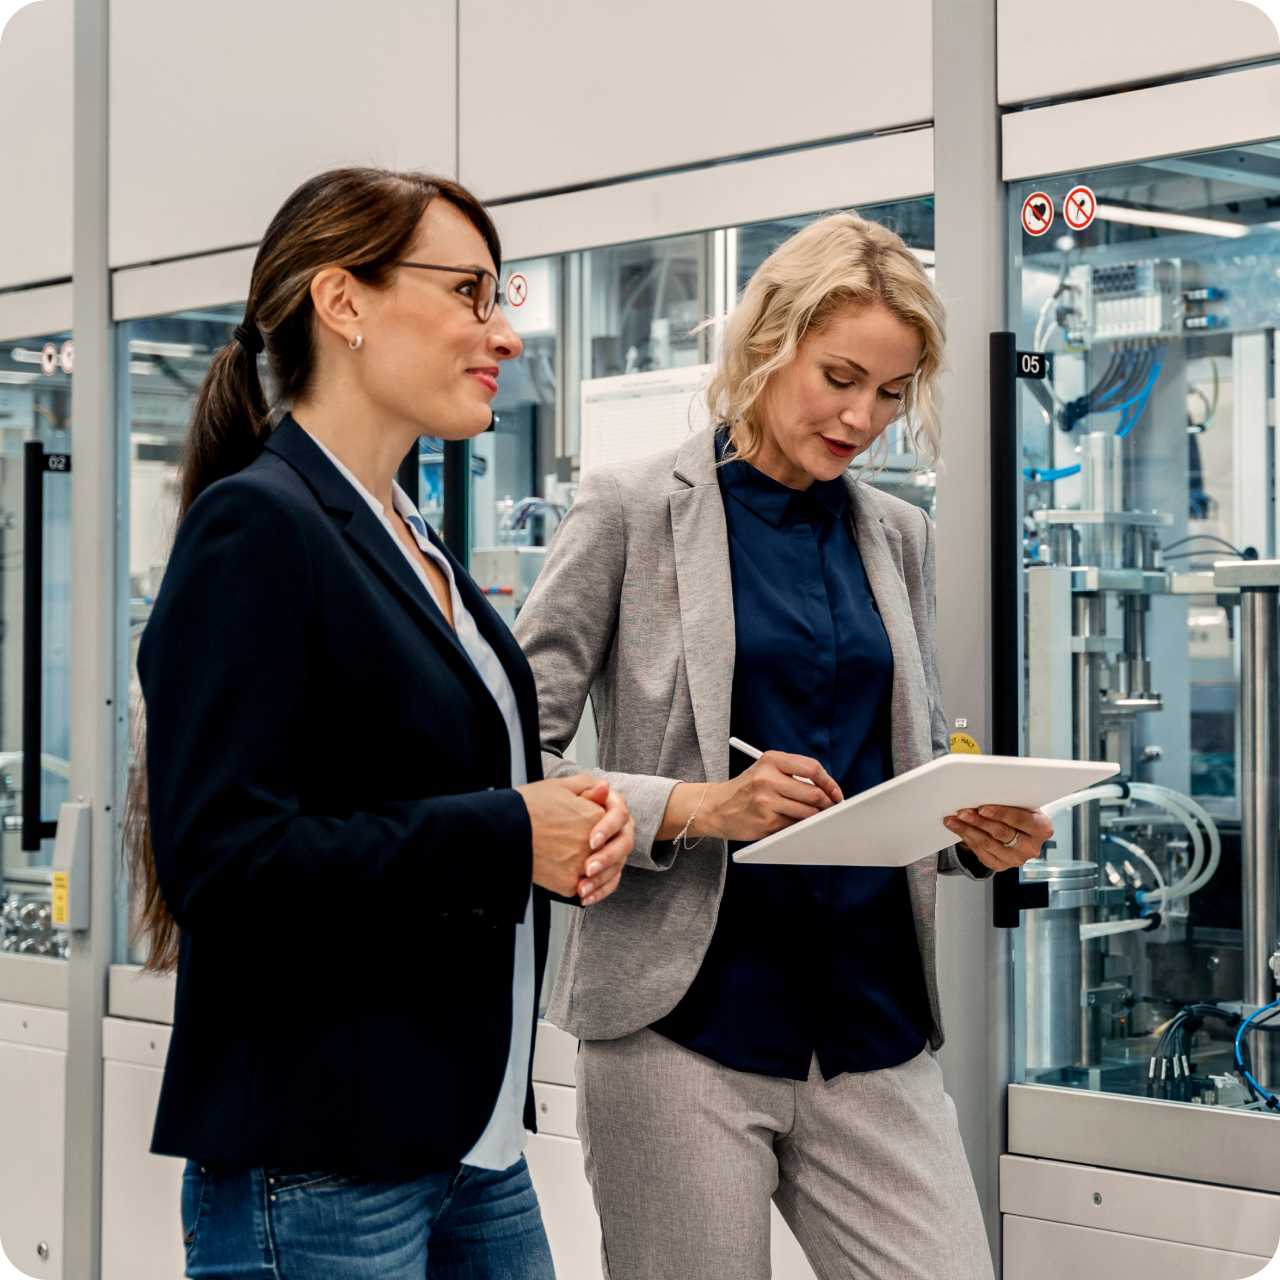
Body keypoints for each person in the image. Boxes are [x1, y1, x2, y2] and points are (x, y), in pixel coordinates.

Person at [515, 212, 1052, 1280]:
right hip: (683, 1022)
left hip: (871, 1019)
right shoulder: (627, 509)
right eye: (840, 376)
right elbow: (506, 750)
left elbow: (893, 767)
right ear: (768, 343)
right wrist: (697, 805)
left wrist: (969, 830)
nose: (864, 416)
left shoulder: (896, 534)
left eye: (892, 392)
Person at [125, 166, 635, 1280]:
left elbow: (421, 792)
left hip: (469, 1143)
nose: (499, 332)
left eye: (497, 298)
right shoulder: (255, 527)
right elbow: (222, 861)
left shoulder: (412, 529)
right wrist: (508, 834)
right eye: (468, 293)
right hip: (321, 1156)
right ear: (342, 302)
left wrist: (560, 832)